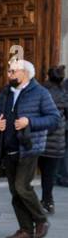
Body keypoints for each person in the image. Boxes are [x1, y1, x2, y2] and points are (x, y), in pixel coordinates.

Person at [0, 58, 60, 238]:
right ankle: (25, 229)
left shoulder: (40, 93)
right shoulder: (6, 92)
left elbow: (54, 119)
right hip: (8, 147)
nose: (9, 74)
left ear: (25, 73)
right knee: (15, 192)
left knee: (22, 187)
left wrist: (29, 122)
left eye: (13, 71)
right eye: (8, 71)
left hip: (28, 147)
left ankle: (41, 220)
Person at [37, 65, 67, 216]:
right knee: (49, 173)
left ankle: (42, 201)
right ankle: (48, 200)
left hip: (42, 136)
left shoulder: (42, 91)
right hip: (58, 139)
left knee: (40, 171)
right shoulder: (64, 92)